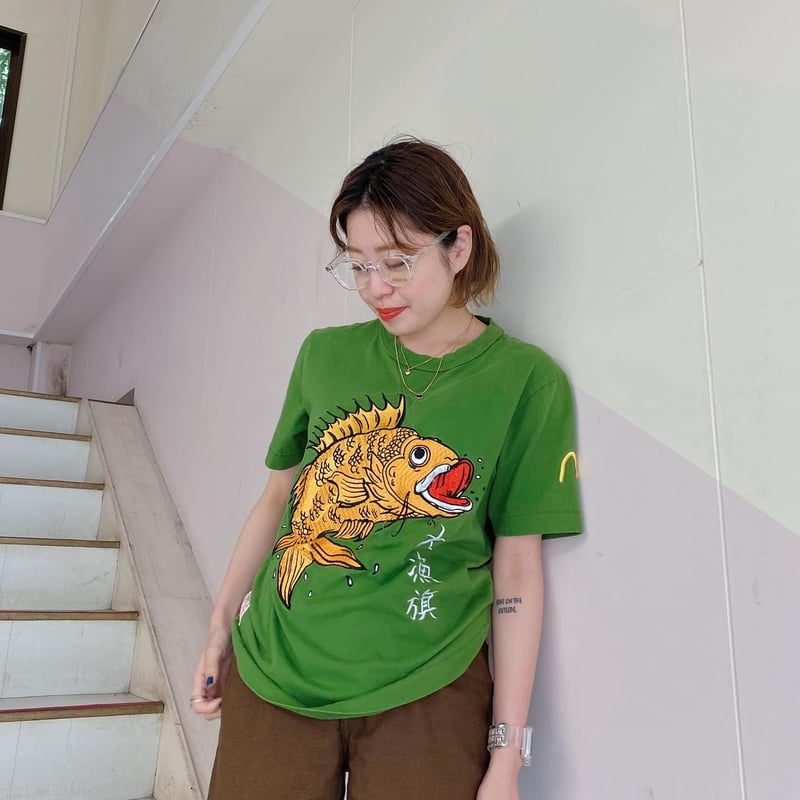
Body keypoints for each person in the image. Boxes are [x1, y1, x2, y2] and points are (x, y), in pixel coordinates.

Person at [190, 137, 582, 799]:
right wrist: (218, 626)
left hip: (431, 685)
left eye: (398, 263)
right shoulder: (323, 356)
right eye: (358, 265)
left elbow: (517, 567)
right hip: (277, 669)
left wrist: (508, 755)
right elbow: (278, 498)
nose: (376, 288)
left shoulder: (526, 382)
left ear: (459, 247)